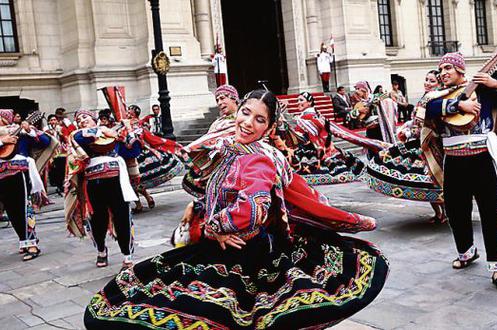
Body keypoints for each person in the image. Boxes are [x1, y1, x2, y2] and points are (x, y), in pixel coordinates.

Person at [84, 89, 388, 329]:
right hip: (226, 246)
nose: (248, 122)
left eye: (259, 119)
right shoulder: (231, 149)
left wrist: (214, 227)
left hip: (244, 253)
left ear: (269, 128)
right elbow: (220, 189)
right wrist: (199, 207)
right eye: (246, 113)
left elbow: (253, 209)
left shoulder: (258, 158)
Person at [422, 52, 497, 293]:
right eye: (441, 69)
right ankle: (467, 252)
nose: (443, 73)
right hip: (454, 162)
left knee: (492, 213)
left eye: (448, 67)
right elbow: (427, 109)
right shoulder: (436, 96)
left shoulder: (484, 91)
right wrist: (459, 104)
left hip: (482, 159)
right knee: (456, 211)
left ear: (461, 69)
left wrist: (496, 83)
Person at [365, 70, 447, 224]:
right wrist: (407, 129)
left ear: (439, 84)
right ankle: (438, 213)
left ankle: (445, 212)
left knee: (434, 181)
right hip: (419, 143)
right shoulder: (426, 97)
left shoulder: (437, 99)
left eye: (432, 81)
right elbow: (416, 122)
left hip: (432, 145)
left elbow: (428, 125)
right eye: (426, 79)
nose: (427, 83)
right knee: (425, 182)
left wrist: (411, 133)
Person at [65, 109, 141, 269]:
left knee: (122, 217)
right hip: (93, 184)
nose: (81, 121)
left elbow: (134, 150)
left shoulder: (112, 136)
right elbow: (78, 138)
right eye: (78, 119)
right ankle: (101, 249)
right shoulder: (78, 136)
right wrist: (102, 130)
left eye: (85, 117)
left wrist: (128, 129)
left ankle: (127, 256)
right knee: (97, 220)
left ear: (95, 119)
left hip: (117, 182)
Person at [0, 109, 51, 261]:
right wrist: (3, 141)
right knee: (10, 210)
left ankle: (32, 243)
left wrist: (30, 130)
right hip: (1, 174)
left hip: (18, 172)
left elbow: (45, 142)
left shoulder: (19, 130)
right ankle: (24, 240)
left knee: (23, 207)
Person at [291, 91, 365, 185]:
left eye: (301, 100)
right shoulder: (314, 115)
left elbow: (313, 135)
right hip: (320, 146)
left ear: (309, 102)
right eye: (297, 100)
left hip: (315, 148)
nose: (298, 102)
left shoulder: (307, 117)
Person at [43, 114, 75, 194]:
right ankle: (58, 185)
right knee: (55, 170)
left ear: (57, 121)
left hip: (62, 152)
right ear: (49, 122)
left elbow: (66, 139)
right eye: (51, 120)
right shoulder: (46, 131)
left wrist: (61, 134)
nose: (53, 122)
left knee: (62, 169)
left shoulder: (62, 129)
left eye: (54, 120)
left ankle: (63, 185)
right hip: (53, 153)